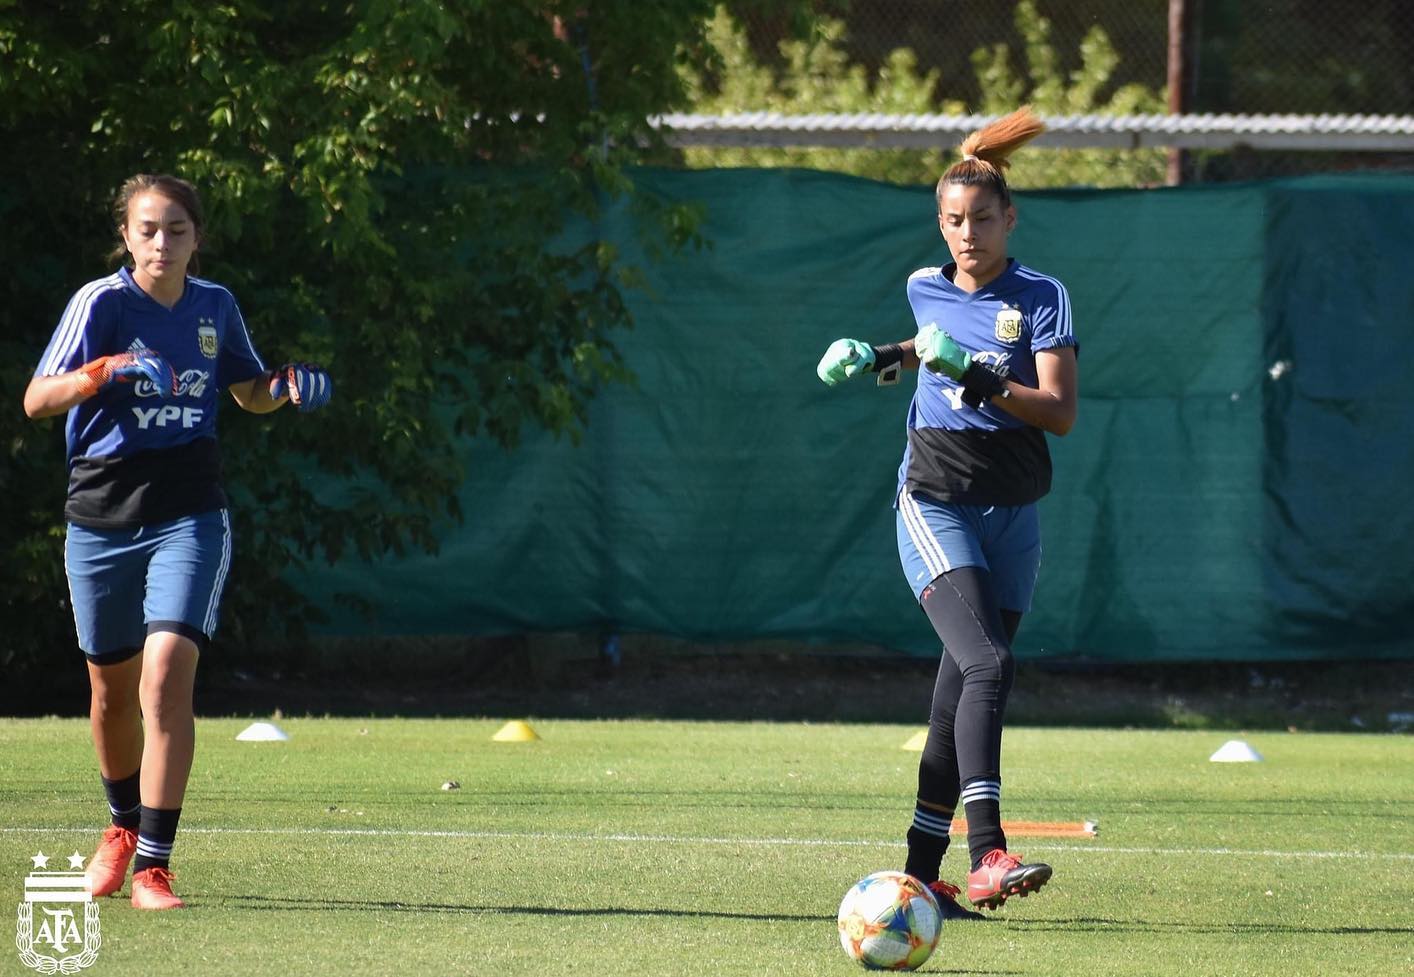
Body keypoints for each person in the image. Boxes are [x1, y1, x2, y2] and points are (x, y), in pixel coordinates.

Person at [23, 174, 333, 910]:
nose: (163, 242)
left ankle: (154, 866)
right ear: (127, 235)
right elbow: (38, 399)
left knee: (166, 673)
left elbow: (248, 390)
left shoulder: (214, 306)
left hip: (189, 509)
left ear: (198, 237)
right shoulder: (101, 303)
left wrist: (284, 386)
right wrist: (107, 371)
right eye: (149, 229)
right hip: (100, 512)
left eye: (178, 230)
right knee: (110, 695)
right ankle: (121, 826)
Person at [815, 107, 1078, 915]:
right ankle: (988, 851)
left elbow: (1059, 411)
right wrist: (877, 355)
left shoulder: (1041, 296)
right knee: (990, 664)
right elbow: (929, 336)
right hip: (935, 501)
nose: (969, 234)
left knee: (953, 698)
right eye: (955, 222)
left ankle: (921, 874)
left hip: (1014, 510)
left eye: (983, 220)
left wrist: (978, 374)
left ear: (1010, 218)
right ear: (941, 224)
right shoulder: (924, 284)